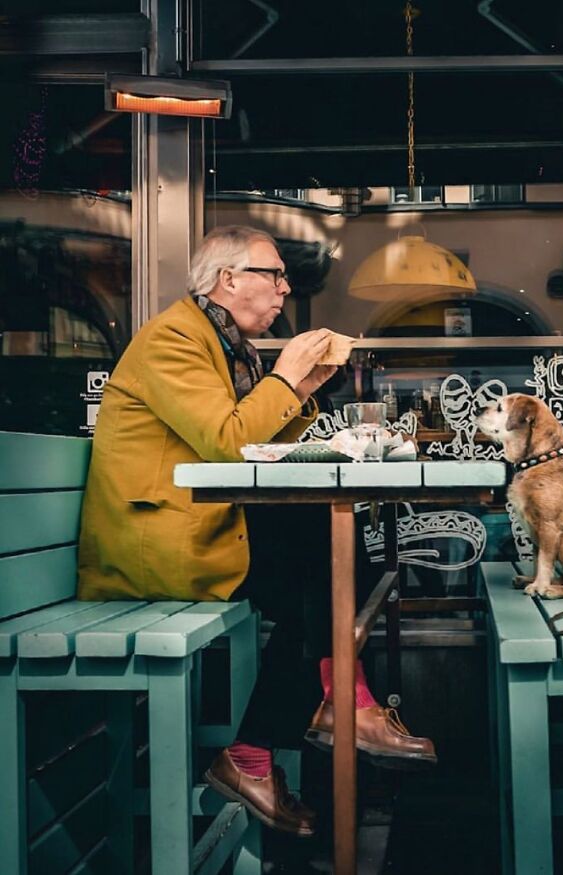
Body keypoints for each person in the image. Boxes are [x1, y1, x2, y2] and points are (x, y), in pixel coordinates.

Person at [78, 225, 436, 838]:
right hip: (157, 543)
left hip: (201, 523)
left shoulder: (227, 347)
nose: (285, 289)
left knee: (329, 556)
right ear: (229, 279)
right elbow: (227, 442)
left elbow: (252, 445)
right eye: (275, 275)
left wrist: (303, 387)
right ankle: (333, 708)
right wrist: (286, 377)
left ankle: (284, 737)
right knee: (322, 563)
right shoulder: (173, 340)